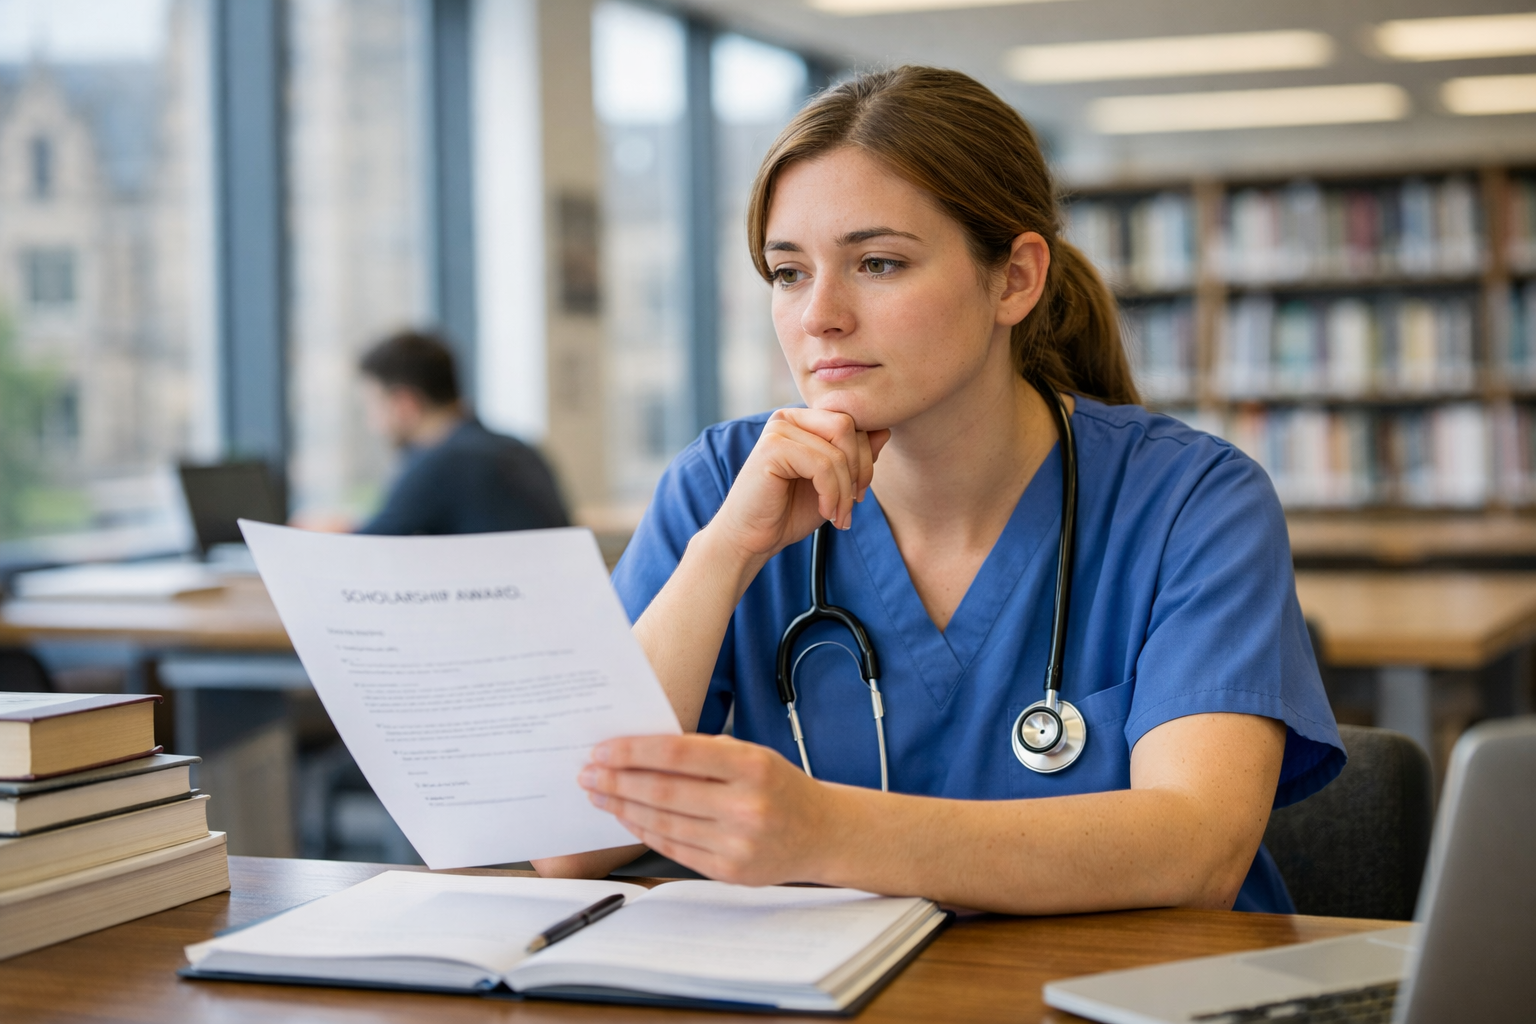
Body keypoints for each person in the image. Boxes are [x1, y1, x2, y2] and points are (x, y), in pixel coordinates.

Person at [534, 66, 1343, 916]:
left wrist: (823, 833)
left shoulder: (1190, 501)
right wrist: (725, 554)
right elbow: (569, 842)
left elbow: (1197, 848)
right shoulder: (723, 486)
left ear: (1015, 279)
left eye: (877, 263)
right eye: (788, 273)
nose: (820, 317)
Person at [354, 329, 570, 536]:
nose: (371, 423)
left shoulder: (440, 462)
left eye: (372, 406)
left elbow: (364, 550)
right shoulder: (521, 450)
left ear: (404, 404)